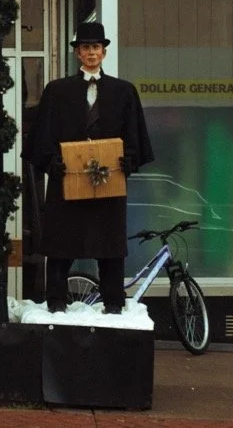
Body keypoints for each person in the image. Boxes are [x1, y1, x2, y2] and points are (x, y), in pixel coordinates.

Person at [24, 21, 154, 314]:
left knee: (109, 242)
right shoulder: (57, 91)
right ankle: (56, 301)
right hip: (67, 179)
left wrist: (128, 160)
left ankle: (113, 303)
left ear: (104, 52)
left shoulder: (124, 92)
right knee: (61, 242)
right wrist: (51, 163)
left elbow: (134, 137)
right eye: (86, 47)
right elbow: (42, 136)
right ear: (77, 53)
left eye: (96, 47)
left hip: (109, 182)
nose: (91, 52)